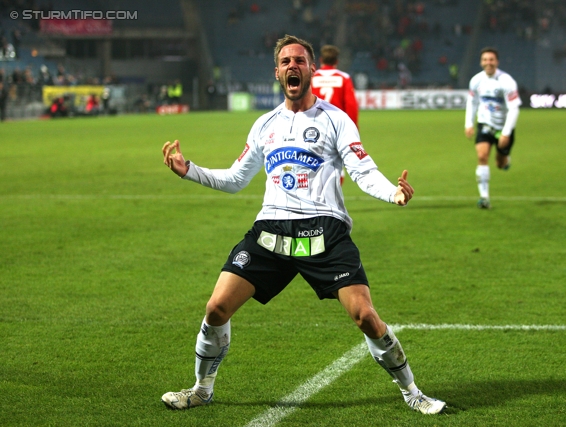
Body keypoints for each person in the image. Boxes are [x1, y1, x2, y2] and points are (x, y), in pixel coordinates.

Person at [161, 34, 446, 416]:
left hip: (324, 230)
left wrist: (391, 192)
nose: (292, 66)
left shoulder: (335, 119)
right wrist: (189, 170)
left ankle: (412, 391)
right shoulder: (264, 125)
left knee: (365, 315)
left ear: (312, 69)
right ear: (277, 72)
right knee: (216, 308)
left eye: (299, 60)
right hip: (271, 230)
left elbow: (362, 170)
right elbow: (235, 178)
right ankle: (201, 389)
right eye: (285, 61)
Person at [465, 47, 521, 209]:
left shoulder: (506, 81)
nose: (488, 63)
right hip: (484, 124)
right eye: (485, 60)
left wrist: (506, 133)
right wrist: (468, 123)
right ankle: (484, 197)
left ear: (496, 62)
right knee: (482, 156)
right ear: (481, 62)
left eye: (491, 60)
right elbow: (472, 102)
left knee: (500, 164)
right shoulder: (476, 80)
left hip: (504, 127)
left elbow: (514, 108)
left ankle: (505, 159)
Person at [312, 44, 359, 186]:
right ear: (336, 61)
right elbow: (351, 106)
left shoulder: (312, 77)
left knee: (313, 164)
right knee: (337, 165)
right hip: (337, 128)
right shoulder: (344, 78)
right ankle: (331, 198)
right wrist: (353, 130)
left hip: (314, 127)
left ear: (320, 59)